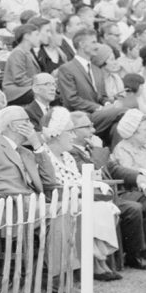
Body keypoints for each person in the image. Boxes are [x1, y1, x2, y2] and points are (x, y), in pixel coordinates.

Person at [41, 106, 122, 281]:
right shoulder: (45, 156)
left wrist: (95, 185)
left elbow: (79, 179)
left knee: (105, 207)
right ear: (57, 134)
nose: (72, 136)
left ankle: (97, 260)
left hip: (78, 197)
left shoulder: (68, 156)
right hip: (64, 200)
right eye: (69, 132)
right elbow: (54, 185)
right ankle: (95, 262)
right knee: (94, 208)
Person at [0, 106, 58, 194]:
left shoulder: (27, 153)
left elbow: (49, 182)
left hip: (36, 203)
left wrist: (37, 146)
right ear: (12, 126)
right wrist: (18, 194)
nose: (32, 126)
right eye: (27, 121)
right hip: (8, 204)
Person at [108, 109, 146, 270]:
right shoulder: (122, 148)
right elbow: (130, 173)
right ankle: (140, 253)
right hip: (128, 191)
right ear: (133, 132)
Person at [1, 21, 44, 105]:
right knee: (45, 92)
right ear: (27, 36)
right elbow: (19, 79)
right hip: (16, 91)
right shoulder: (18, 52)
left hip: (26, 88)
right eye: (36, 35)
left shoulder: (27, 52)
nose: (39, 38)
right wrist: (41, 84)